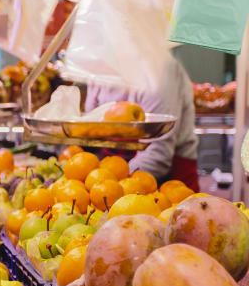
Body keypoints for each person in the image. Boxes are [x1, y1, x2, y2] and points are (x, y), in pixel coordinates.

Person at [83, 53, 199, 191]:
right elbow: (91, 132)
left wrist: (111, 184)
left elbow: (158, 154)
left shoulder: (160, 69)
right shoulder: (99, 72)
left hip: (168, 184)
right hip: (110, 182)